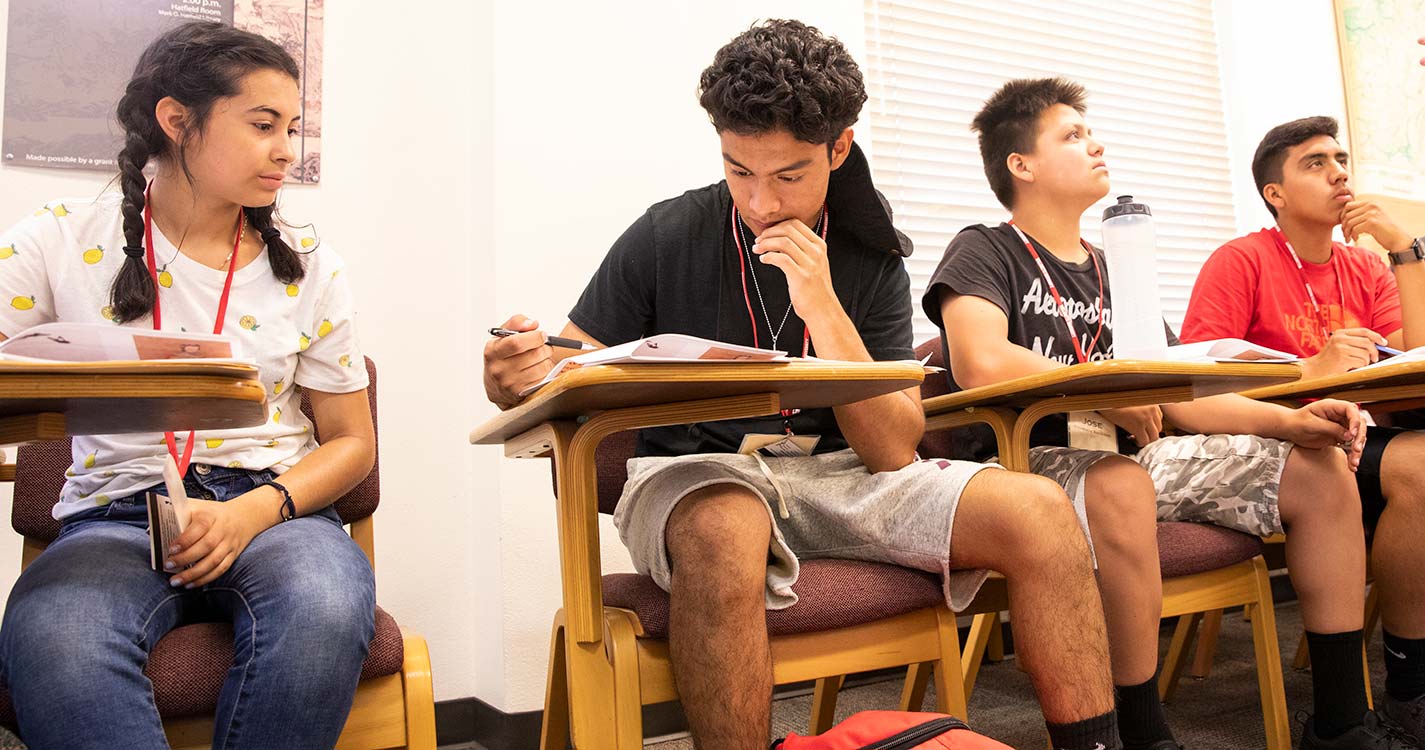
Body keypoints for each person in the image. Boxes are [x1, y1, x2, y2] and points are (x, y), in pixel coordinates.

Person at [485, 21, 1125, 750]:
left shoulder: (868, 252)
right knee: (726, 523)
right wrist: (517, 377)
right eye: (738, 171)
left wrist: (821, 303)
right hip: (699, 478)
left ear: (838, 148)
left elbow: (890, 450)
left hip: (842, 476)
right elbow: (569, 369)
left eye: (788, 175)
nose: (759, 202)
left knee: (1038, 509)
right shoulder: (666, 235)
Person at [925, 78, 1408, 750]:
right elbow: (978, 360)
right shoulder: (985, 248)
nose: (1095, 143)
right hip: (1018, 463)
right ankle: (1143, 733)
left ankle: (1340, 722)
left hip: (1129, 460)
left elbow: (1183, 393)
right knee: (1120, 484)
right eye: (1071, 135)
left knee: (1316, 466)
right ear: (1020, 165)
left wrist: (1289, 421)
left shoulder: (1111, 266)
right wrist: (1098, 388)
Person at [0, 22, 376, 750]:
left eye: (292, 128)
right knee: (55, 635)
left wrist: (256, 512)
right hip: (115, 516)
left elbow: (353, 443)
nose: (286, 152)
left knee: (327, 604)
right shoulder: (55, 240)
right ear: (176, 121)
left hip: (274, 510)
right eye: (263, 125)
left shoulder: (310, 266)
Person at [1182, 115, 1425, 742]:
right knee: (1420, 467)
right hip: (1280, 447)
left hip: (1365, 437)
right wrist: (1307, 371)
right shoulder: (1241, 260)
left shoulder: (1366, 270)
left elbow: (1415, 360)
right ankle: (1411, 690)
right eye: (1315, 163)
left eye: (1340, 159)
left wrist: (1404, 251)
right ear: (1276, 193)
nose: (1339, 172)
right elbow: (1195, 383)